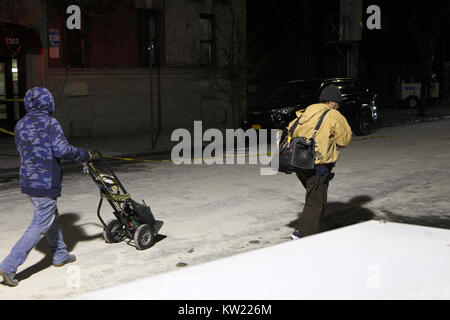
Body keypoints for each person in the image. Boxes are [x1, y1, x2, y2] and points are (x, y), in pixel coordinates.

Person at [0, 87, 92, 287]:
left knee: (50, 215)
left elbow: (22, 150)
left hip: (27, 180)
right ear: (48, 103)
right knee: (41, 222)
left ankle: (60, 254)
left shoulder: (21, 124)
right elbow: (63, 150)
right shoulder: (50, 122)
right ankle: (9, 265)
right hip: (45, 181)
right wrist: (84, 154)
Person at [288, 84, 352, 239]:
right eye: (337, 104)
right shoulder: (332, 115)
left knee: (317, 195)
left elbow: (291, 129)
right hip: (319, 164)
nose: (337, 107)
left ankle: (313, 227)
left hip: (299, 163)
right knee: (316, 199)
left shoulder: (304, 113)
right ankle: (302, 233)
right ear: (331, 102)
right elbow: (344, 139)